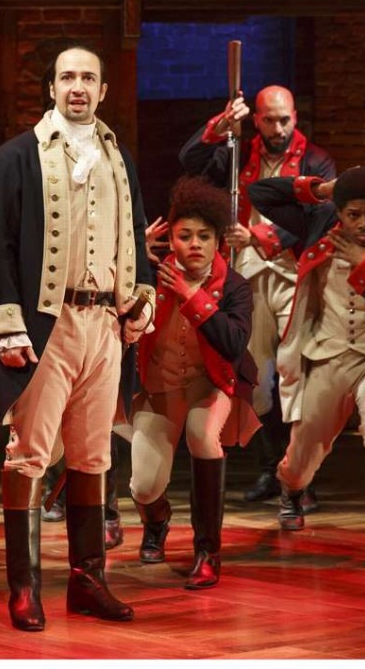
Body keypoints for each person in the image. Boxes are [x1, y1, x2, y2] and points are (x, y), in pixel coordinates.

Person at [0, 43, 154, 631]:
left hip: (105, 323)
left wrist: (143, 297)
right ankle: (24, 586)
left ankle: (87, 580)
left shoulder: (118, 158)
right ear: (52, 88)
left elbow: (134, 236)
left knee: (92, 455)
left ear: (103, 90)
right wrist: (7, 327)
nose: (77, 87)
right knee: (28, 454)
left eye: (88, 78)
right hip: (44, 323)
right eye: (67, 78)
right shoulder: (15, 156)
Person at [248, 167, 365, 568]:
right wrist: (319, 189)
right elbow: (260, 194)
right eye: (354, 215)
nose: (363, 224)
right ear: (339, 212)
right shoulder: (319, 222)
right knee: (299, 460)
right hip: (327, 355)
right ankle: (292, 491)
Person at [180, 86, 335, 506]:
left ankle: (301, 477)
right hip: (246, 274)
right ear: (258, 120)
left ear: (295, 117)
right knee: (258, 374)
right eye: (269, 120)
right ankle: (271, 470)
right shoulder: (237, 153)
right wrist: (219, 126)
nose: (278, 128)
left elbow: (319, 214)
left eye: (284, 120)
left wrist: (262, 235)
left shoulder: (315, 160)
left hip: (292, 271)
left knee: (295, 374)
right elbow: (190, 162)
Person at [130, 176, 259, 589]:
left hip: (210, 385)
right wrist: (135, 254)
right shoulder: (150, 275)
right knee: (145, 485)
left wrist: (191, 295)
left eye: (204, 236)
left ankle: (208, 552)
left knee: (203, 435)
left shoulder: (235, 287)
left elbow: (233, 344)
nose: (195, 244)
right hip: (160, 386)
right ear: (171, 239)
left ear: (219, 241)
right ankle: (157, 520)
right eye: (185, 236)